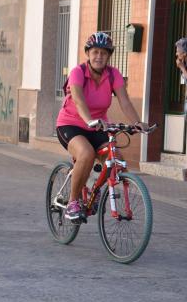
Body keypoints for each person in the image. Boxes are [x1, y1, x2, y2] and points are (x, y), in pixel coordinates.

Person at [56, 32, 148, 221]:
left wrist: (137, 123)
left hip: (97, 127)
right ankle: (73, 202)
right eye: (95, 52)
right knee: (86, 154)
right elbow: (79, 100)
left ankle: (95, 190)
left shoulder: (113, 75)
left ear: (109, 56)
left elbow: (125, 102)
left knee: (117, 159)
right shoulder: (78, 72)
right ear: (88, 54)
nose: (99, 56)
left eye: (104, 53)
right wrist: (89, 119)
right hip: (71, 124)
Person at [175, 37, 187, 114]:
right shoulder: (184, 64)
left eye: (178, 51)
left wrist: (182, 68)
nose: (176, 54)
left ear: (184, 53)